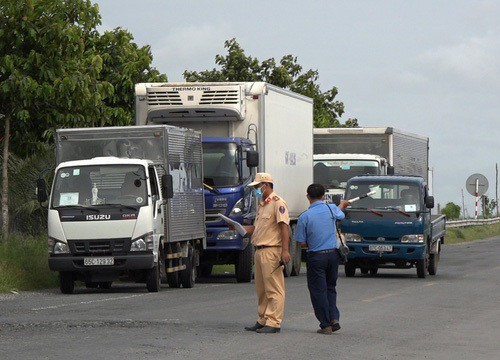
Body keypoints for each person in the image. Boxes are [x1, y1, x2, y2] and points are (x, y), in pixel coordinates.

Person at [294, 183, 350, 335]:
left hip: (316, 256)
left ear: (308, 197)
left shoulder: (304, 216)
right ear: (324, 196)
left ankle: (325, 324)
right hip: (332, 255)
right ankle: (334, 318)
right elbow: (341, 214)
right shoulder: (331, 208)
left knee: (318, 291)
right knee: (330, 288)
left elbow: (301, 241)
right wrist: (342, 204)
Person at [241, 172, 291, 334]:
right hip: (259, 250)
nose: (256, 190)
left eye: (257, 187)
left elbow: (284, 227)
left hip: (271, 250)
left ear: (266, 185)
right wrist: (237, 227)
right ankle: (263, 318)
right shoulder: (263, 204)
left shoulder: (278, 203)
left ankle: (274, 321)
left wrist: (285, 250)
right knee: (261, 289)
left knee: (274, 288)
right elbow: (257, 229)